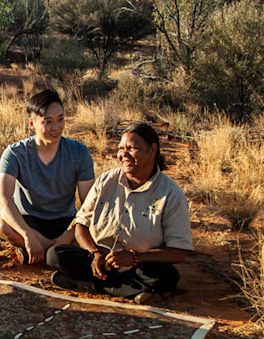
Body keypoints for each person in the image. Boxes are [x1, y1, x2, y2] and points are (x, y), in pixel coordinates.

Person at [48, 122, 193, 303]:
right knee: (55, 255)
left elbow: (178, 252)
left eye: (131, 148)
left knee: (166, 276)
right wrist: (95, 254)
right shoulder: (107, 180)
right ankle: (127, 290)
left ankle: (90, 286)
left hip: (138, 266)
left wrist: (134, 258)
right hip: (98, 262)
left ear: (152, 150)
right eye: (120, 149)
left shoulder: (170, 194)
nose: (123, 154)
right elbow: (81, 225)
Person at [0, 89, 95, 265]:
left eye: (60, 119)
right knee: (2, 226)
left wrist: (68, 235)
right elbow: (2, 199)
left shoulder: (79, 152)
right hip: (30, 222)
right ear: (32, 123)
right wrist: (27, 234)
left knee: (97, 228)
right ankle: (54, 251)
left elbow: (89, 203)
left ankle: (43, 251)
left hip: (66, 222)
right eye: (47, 122)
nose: (56, 128)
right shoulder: (14, 153)